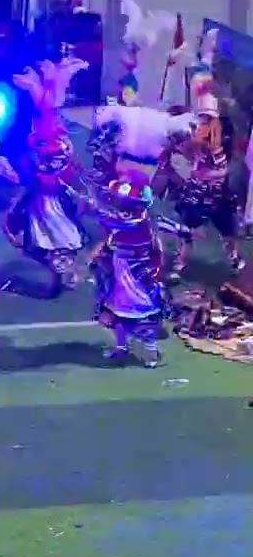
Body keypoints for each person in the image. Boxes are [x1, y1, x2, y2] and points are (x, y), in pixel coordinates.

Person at [90, 104, 196, 367]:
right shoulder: (128, 218)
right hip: (121, 271)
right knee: (117, 312)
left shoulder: (136, 222)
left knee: (142, 314)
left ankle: (150, 352)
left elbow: (114, 224)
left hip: (137, 275)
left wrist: (92, 208)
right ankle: (121, 347)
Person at [3, 58, 93, 296]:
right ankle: (62, 272)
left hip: (51, 200)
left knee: (52, 239)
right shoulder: (50, 142)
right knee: (35, 240)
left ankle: (65, 272)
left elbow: (59, 173)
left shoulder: (56, 146)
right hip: (43, 199)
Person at [172, 29, 243, 278]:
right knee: (186, 224)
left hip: (216, 182)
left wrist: (183, 144)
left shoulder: (213, 125)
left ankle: (233, 257)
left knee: (226, 226)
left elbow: (197, 144)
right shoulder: (204, 120)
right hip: (202, 180)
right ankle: (180, 261)